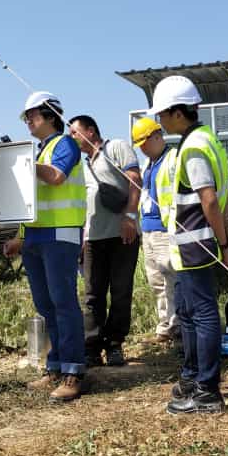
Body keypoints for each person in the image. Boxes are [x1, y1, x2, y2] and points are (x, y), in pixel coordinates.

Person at [147, 75, 228, 414]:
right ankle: (194, 377)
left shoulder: (194, 147)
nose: (160, 121)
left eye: (162, 114)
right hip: (189, 245)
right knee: (187, 311)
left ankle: (207, 391)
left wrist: (224, 242)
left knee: (203, 313)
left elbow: (209, 199)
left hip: (196, 244)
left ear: (178, 113)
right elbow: (224, 193)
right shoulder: (203, 139)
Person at [4, 91, 87, 402]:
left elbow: (56, 177)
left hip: (61, 234)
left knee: (64, 303)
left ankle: (73, 371)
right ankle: (55, 366)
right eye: (26, 117)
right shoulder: (39, 152)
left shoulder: (65, 144)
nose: (28, 121)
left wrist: (26, 162)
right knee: (45, 305)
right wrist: (20, 237)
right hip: (36, 237)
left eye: (32, 115)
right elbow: (30, 203)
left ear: (51, 116)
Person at [68, 115, 141, 366]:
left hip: (122, 235)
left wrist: (130, 217)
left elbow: (135, 180)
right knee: (92, 295)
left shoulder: (116, 147)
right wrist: (81, 238)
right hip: (92, 239)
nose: (72, 138)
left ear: (90, 131)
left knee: (121, 292)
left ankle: (114, 344)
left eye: (75, 132)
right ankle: (91, 348)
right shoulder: (82, 165)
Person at [131, 116, 179, 341]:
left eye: (144, 142)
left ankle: (176, 326)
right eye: (139, 144)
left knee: (171, 279)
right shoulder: (148, 165)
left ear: (157, 136)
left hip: (165, 228)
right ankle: (165, 326)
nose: (142, 148)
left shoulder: (172, 158)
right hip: (148, 230)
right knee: (156, 281)